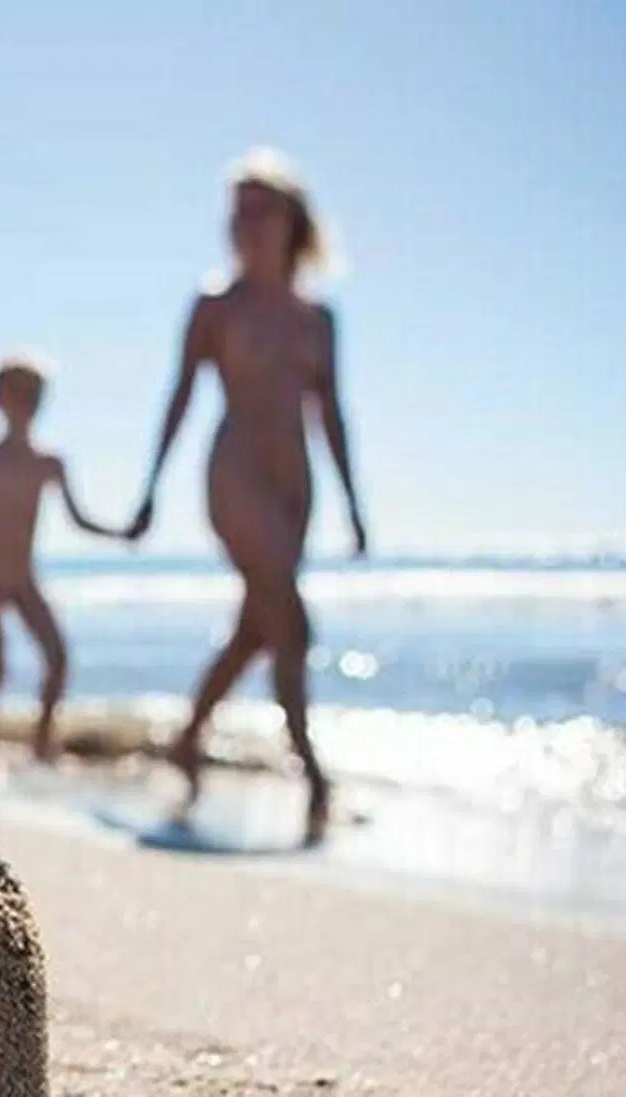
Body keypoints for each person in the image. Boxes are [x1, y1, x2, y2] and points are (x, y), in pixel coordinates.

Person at [128, 148, 367, 845]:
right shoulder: (214, 305)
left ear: (294, 220)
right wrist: (149, 487)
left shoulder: (317, 318)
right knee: (292, 625)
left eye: (263, 209)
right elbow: (178, 396)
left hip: (296, 487)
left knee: (256, 629)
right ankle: (316, 777)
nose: (248, 223)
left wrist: (354, 504)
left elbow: (333, 413)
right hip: (233, 477)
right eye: (239, 211)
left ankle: (186, 740)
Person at [0, 356, 125, 787]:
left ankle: (40, 746)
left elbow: (80, 519)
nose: (25, 403)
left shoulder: (50, 463)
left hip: (25, 577)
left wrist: (121, 533)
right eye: (16, 393)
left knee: (58, 658)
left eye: (33, 395)